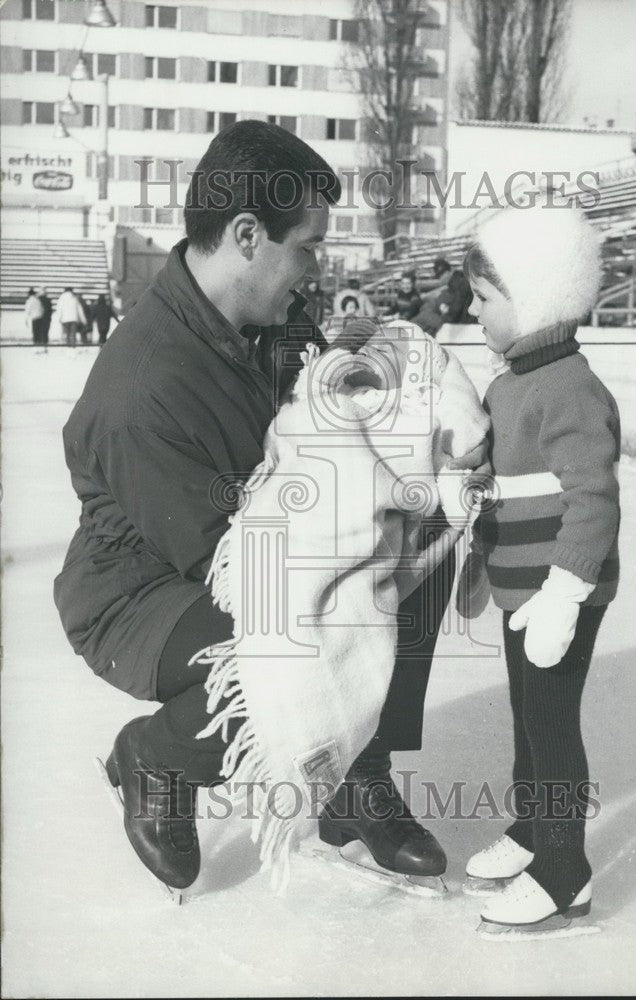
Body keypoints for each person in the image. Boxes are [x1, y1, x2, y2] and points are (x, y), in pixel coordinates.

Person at [54, 120, 457, 894]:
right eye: (305, 247)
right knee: (285, 648)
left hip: (257, 536)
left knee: (416, 538)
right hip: (142, 592)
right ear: (247, 234)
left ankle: (357, 772)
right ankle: (156, 757)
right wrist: (349, 563)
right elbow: (237, 572)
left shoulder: (275, 322)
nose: (313, 268)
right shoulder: (141, 390)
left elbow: (336, 412)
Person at [456, 205, 620, 932]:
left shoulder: (570, 388)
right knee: (527, 717)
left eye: (485, 297)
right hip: (521, 590)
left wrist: (565, 592)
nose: (471, 308)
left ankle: (564, 870)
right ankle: (532, 832)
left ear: (536, 299)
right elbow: (497, 479)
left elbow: (593, 499)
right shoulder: (509, 384)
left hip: (561, 593)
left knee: (552, 726)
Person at [414, 256, 473, 336]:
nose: (441, 279)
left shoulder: (460, 282)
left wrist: (445, 315)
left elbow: (456, 310)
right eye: (440, 276)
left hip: (463, 323)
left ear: (449, 272)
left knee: (426, 318)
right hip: (461, 320)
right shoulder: (456, 281)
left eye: (442, 275)